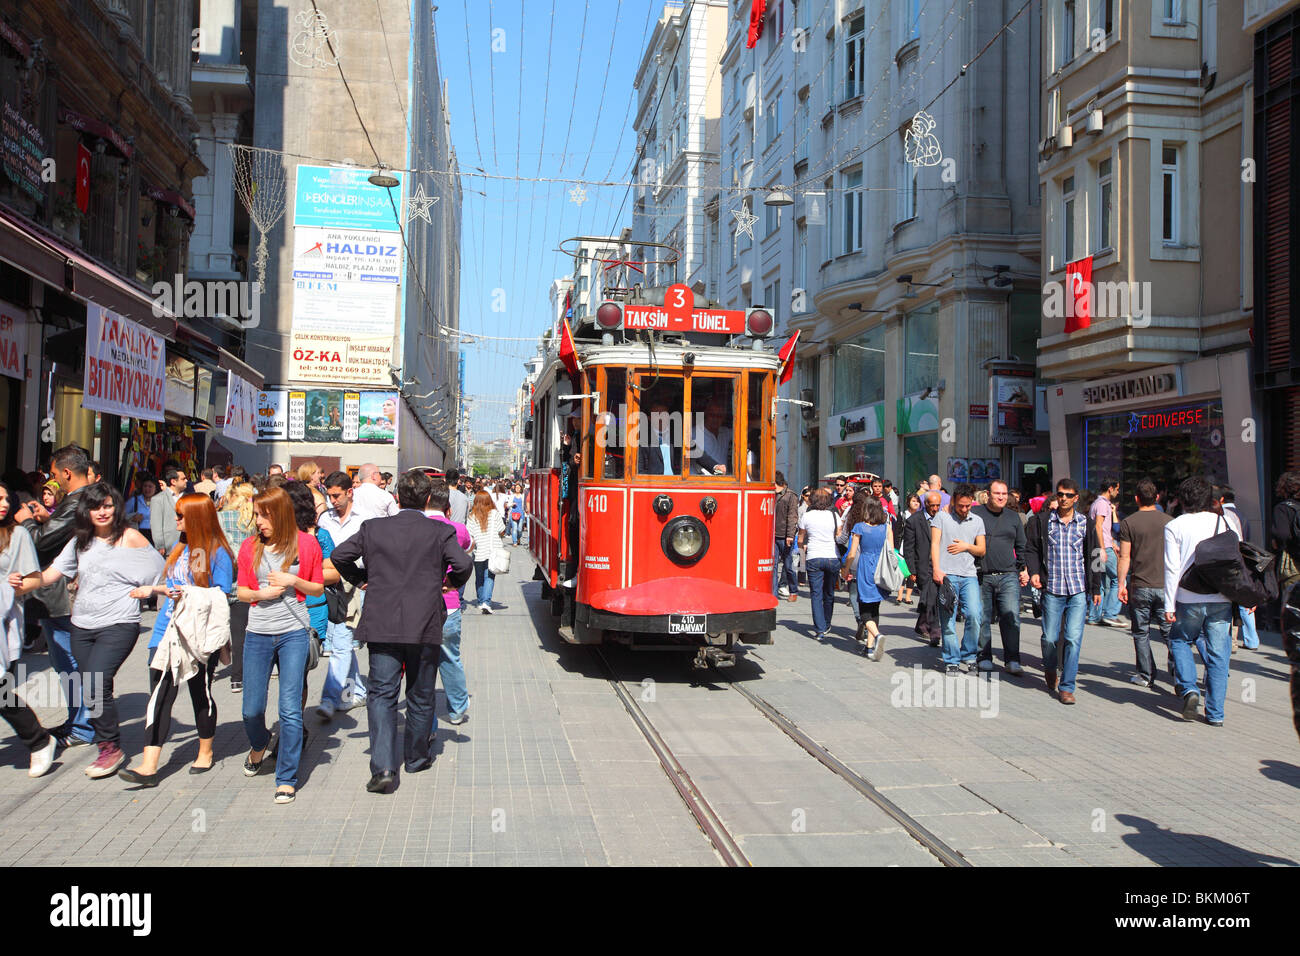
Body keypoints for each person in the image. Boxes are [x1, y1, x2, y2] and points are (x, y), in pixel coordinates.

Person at [328, 470, 472, 794]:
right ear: (425, 500)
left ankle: (383, 769)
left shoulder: (373, 528)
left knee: (381, 694)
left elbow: (339, 556)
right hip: (424, 623)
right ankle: (416, 758)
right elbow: (463, 565)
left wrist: (362, 578)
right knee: (420, 694)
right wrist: (448, 583)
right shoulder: (438, 531)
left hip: (383, 623)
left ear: (396, 497)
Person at [10, 483, 164, 778]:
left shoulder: (130, 538)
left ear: (116, 507)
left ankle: (111, 748)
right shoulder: (81, 540)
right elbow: (52, 574)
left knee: (96, 683)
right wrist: (22, 584)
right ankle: (105, 740)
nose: (103, 512)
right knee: (91, 685)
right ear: (86, 511)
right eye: (96, 507)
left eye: (108, 506)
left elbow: (164, 571)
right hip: (82, 625)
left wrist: (150, 589)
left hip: (119, 623)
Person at [118, 493, 234, 785]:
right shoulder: (181, 549)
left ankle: (205, 750)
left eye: (181, 516)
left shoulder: (216, 551)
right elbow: (173, 587)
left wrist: (166, 592)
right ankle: (149, 765)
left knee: (200, 691)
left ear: (196, 517)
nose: (175, 520)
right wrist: (158, 590)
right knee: (159, 694)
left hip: (198, 633)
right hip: (166, 630)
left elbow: (222, 594)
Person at [235, 486, 324, 804]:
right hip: (257, 634)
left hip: (293, 633)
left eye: (264, 515)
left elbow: (317, 588)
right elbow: (242, 592)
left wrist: (292, 581)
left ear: (280, 514)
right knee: (251, 710)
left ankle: (286, 778)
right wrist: (261, 595)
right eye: (257, 514)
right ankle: (259, 745)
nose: (258, 521)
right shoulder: (250, 546)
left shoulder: (307, 543)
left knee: (289, 710)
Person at [12, 445, 99, 747]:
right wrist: (40, 520)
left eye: (54, 475)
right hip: (66, 593)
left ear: (65, 473)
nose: (54, 481)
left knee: (69, 662)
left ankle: (84, 726)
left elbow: (42, 542)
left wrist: (24, 521)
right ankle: (80, 721)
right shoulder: (88, 499)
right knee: (67, 661)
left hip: (64, 595)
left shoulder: (78, 501)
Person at [1163, 477, 1245, 727]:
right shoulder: (1225, 521)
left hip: (1189, 597)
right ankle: (1216, 714)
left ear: (1182, 500)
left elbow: (1171, 568)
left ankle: (1189, 689)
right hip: (1221, 596)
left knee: (1179, 639)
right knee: (1219, 655)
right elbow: (1238, 562)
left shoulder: (1175, 526)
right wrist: (1243, 597)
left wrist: (1169, 604)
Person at [1024, 478, 1102, 704]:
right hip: (1053, 588)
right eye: (1061, 494)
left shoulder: (1085, 523)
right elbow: (1032, 549)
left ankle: (1067, 687)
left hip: (1078, 590)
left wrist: (1096, 587)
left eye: (1069, 495)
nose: (1064, 499)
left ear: (1076, 498)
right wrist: (1035, 571)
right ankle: (1050, 669)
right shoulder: (1042, 521)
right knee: (1049, 639)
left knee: (1073, 638)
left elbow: (1095, 555)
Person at [0, 481, 59, 777]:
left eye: (5, 498)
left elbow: (36, 578)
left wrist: (16, 585)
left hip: (5, 625)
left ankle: (39, 741)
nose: (4, 504)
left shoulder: (17, 534)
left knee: (1, 695)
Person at [316, 472, 368, 720]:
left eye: (336, 495)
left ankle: (329, 698)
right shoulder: (324, 519)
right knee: (341, 641)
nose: (332, 500)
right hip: (329, 585)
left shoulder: (365, 520)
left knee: (342, 641)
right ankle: (356, 691)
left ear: (350, 492)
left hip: (355, 585)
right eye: (329, 495)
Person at [1116, 478, 1173, 689]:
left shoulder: (1129, 523)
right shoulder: (1169, 521)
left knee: (1141, 632)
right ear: (1157, 497)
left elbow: (1125, 556)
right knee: (1169, 632)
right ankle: (1178, 672)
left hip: (1140, 584)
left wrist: (1121, 584)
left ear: (1137, 498)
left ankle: (1145, 674)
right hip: (1165, 585)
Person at [427, 481, 473, 726]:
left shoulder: (415, 528)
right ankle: (456, 709)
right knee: (450, 657)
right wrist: (452, 581)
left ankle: (427, 721)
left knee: (423, 662)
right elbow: (468, 547)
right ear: (447, 508)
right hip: (450, 603)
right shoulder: (457, 529)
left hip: (419, 605)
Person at [973, 480, 1029, 675]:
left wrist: (1022, 568)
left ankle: (1012, 659)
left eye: (1004, 494)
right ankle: (984, 656)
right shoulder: (976, 515)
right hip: (982, 575)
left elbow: (1022, 545)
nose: (1001, 497)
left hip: (1008, 576)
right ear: (988, 494)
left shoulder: (1014, 517)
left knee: (1011, 616)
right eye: (997, 493)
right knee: (983, 617)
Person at [930, 483, 986, 675]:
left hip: (969, 575)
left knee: (974, 615)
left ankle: (969, 654)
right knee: (948, 620)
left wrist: (966, 546)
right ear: (953, 501)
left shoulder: (977, 520)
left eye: (967, 505)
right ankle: (951, 659)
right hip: (948, 575)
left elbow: (982, 549)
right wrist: (937, 569)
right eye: (960, 505)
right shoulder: (942, 517)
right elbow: (935, 543)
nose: (964, 509)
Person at [218, 482, 257, 693]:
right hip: (248, 583)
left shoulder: (221, 518)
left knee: (219, 628)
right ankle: (239, 677)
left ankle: (212, 667)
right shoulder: (256, 521)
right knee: (243, 632)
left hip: (224, 582)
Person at [841, 497, 892, 659]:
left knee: (864, 609)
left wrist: (845, 569)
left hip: (865, 567)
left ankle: (877, 636)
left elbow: (852, 552)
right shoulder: (886, 527)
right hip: (881, 568)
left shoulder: (860, 527)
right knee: (875, 607)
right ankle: (869, 647)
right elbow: (891, 550)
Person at [1213, 485, 1258, 650]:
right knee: (1243, 602)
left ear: (1221, 499)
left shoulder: (1224, 515)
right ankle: (1251, 638)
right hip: (1241, 563)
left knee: (1232, 603)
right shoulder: (1242, 515)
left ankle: (1232, 640)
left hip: (1228, 564)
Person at [798, 488, 840, 639]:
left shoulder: (807, 516)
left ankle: (820, 629)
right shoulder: (834, 516)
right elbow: (839, 535)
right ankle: (827, 623)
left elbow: (800, 539)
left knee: (816, 594)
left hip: (814, 556)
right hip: (832, 556)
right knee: (829, 592)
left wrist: (803, 551)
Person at [905, 492, 942, 646]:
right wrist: (911, 571)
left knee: (931, 599)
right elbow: (909, 548)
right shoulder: (913, 521)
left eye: (937, 505)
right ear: (925, 504)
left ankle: (922, 625)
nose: (935, 508)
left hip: (939, 565)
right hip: (923, 566)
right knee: (931, 598)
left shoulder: (943, 519)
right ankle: (935, 633)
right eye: (932, 505)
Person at [1087, 478, 1125, 627]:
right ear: (1110, 488)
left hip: (1098, 547)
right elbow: (1098, 526)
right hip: (1103, 548)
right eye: (1117, 488)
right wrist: (1103, 547)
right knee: (1119, 578)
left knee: (1100, 582)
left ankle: (1094, 616)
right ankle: (1111, 614)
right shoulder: (1103, 504)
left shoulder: (1097, 503)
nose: (1118, 492)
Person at [467, 491, 505, 613]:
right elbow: (502, 530)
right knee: (489, 577)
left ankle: (480, 601)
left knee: (479, 577)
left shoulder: (472, 516)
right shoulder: (494, 514)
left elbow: (470, 535)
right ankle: (486, 602)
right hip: (493, 550)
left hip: (479, 551)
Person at [773, 472, 800, 601]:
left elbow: (792, 516)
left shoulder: (790, 495)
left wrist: (790, 535)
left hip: (784, 536)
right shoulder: (772, 494)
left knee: (788, 565)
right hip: (773, 534)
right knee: (773, 566)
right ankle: (773, 593)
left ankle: (793, 591)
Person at [151, 467, 188, 557]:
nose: (186, 480)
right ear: (173, 482)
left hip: (187, 547)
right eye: (183, 479)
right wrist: (160, 545)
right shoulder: (158, 499)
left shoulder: (188, 498)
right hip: (168, 548)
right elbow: (156, 524)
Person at [897, 493, 922, 605]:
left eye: (917, 501)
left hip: (916, 547)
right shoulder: (903, 515)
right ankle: (899, 595)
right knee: (902, 571)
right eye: (913, 501)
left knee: (912, 571)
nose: (916, 503)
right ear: (908, 502)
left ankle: (908, 597)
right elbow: (897, 532)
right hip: (903, 546)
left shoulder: (921, 516)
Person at [125, 477, 157, 546]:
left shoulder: (160, 502)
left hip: (155, 536)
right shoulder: (134, 500)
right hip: (138, 533)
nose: (147, 489)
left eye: (150, 486)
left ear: (155, 488)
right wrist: (132, 518)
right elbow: (121, 516)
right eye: (145, 486)